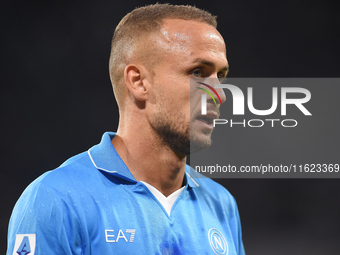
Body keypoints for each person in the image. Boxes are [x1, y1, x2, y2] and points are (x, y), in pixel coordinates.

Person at [7, 4, 245, 255]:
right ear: (138, 82)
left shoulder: (221, 204)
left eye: (221, 76)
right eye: (198, 72)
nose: (219, 94)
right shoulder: (56, 200)